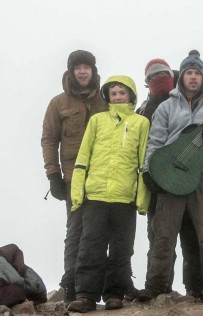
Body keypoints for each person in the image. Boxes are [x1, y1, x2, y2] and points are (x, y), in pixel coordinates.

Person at [141, 50, 203, 305]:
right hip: (170, 175)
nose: (193, 77)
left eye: (198, 73)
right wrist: (148, 172)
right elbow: (155, 142)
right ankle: (155, 286)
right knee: (163, 232)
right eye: (189, 72)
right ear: (181, 76)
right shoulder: (167, 106)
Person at [66, 75, 150, 313]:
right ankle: (86, 296)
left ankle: (114, 294)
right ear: (108, 97)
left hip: (125, 197)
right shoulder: (97, 121)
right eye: (113, 93)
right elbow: (83, 159)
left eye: (122, 93)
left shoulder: (141, 123)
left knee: (122, 249)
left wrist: (142, 200)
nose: (117, 97)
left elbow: (143, 164)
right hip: (96, 195)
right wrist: (77, 195)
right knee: (90, 246)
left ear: (131, 95)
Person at [41, 50, 107, 306]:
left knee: (101, 232)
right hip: (72, 178)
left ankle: (95, 289)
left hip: (103, 177)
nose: (82, 71)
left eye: (86, 67)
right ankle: (71, 285)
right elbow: (49, 139)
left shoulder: (106, 100)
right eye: (77, 67)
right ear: (70, 71)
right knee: (76, 231)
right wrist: (52, 174)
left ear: (93, 70)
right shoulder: (58, 103)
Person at [136, 58, 203, 301]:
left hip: (190, 177)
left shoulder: (186, 99)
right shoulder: (143, 109)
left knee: (192, 234)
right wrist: (147, 174)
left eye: (162, 74)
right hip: (156, 183)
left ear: (172, 75)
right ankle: (158, 287)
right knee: (159, 235)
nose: (158, 80)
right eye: (152, 77)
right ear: (146, 83)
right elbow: (145, 145)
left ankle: (195, 288)